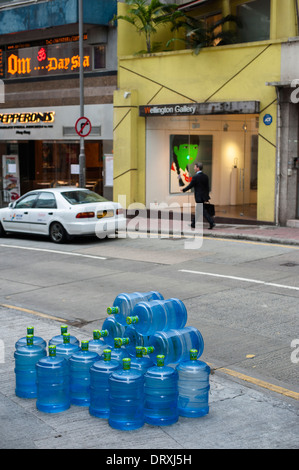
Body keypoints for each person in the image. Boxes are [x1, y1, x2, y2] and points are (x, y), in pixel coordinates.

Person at [180, 162, 215, 229]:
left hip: (198, 197)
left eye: (195, 167)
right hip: (203, 197)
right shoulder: (206, 176)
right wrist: (206, 196)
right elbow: (207, 187)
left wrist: (183, 189)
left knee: (202, 211)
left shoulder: (195, 177)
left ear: (198, 168)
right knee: (199, 210)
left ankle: (211, 222)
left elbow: (190, 186)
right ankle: (193, 224)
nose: (194, 168)